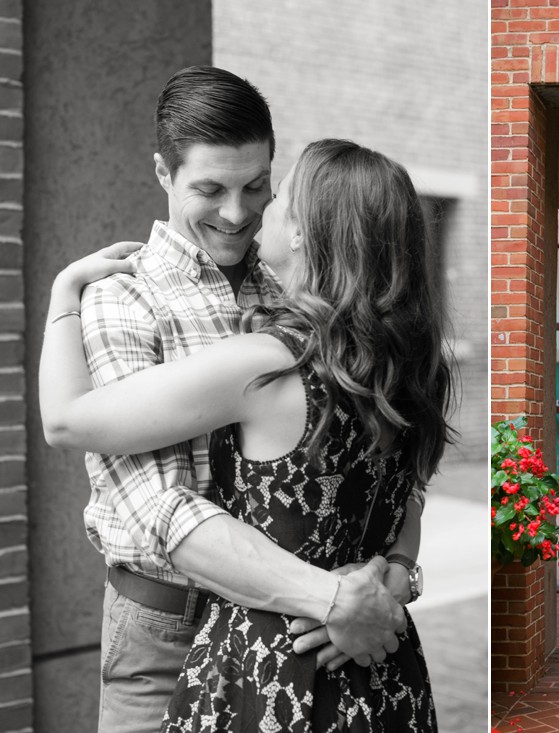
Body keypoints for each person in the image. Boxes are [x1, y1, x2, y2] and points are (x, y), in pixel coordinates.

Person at [38, 67, 418, 733]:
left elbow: (387, 452)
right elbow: (156, 503)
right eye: (210, 189)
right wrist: (336, 597)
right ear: (164, 173)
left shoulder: (296, 295)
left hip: (299, 634)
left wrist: (393, 568)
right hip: (168, 626)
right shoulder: (125, 296)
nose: (238, 213)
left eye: (255, 186)